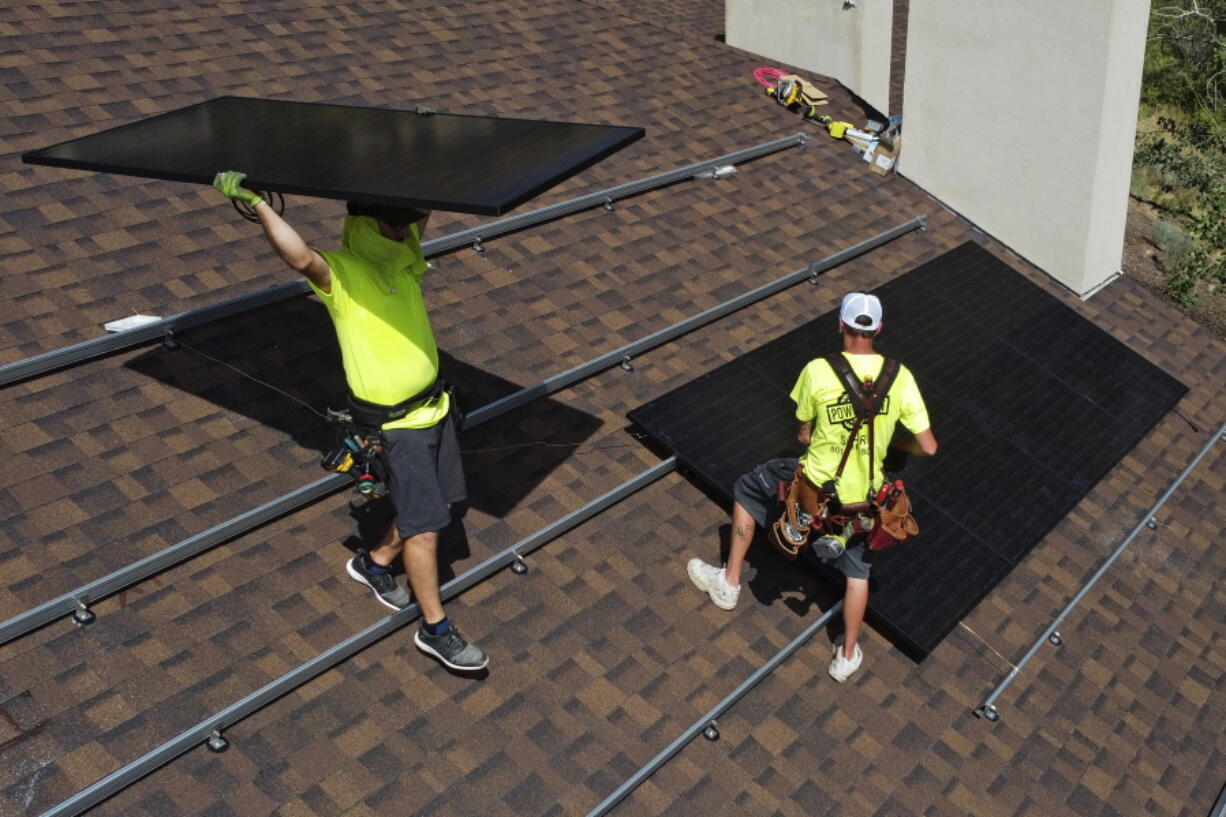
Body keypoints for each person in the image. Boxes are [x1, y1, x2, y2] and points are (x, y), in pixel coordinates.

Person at [212, 171, 487, 672]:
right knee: (426, 530)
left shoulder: (406, 262)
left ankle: (374, 562)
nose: (403, 232)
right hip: (397, 429)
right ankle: (435, 629)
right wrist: (260, 206)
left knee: (443, 503)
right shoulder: (342, 275)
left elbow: (421, 211)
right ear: (362, 224)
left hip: (438, 410)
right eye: (391, 224)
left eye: (407, 225)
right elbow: (300, 257)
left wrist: (429, 154)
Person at [686, 292, 936, 682]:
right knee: (858, 574)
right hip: (863, 499)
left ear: (841, 324)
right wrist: (890, 445)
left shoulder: (818, 371)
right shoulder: (900, 378)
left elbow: (803, 433)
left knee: (747, 488)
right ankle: (847, 656)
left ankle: (729, 583)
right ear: (880, 330)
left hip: (814, 484)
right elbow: (929, 445)